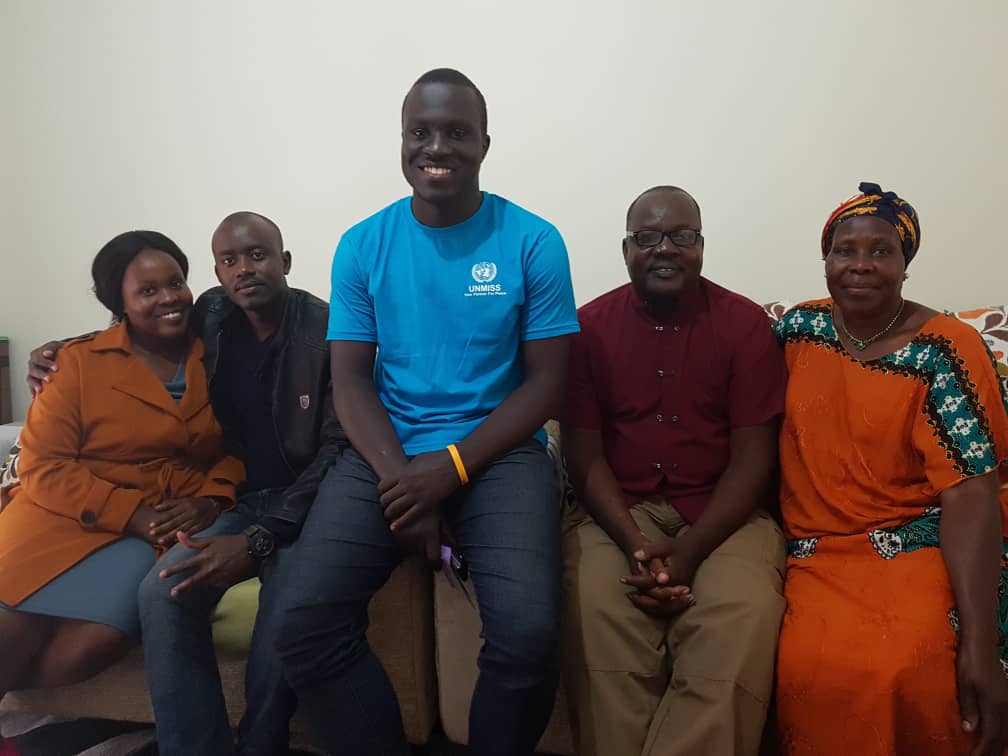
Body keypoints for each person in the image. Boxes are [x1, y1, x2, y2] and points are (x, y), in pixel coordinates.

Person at [265, 68, 579, 756]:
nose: (436, 147)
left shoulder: (533, 240)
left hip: (500, 452)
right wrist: (403, 483)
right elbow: (350, 383)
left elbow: (548, 385)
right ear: (402, 141)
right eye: (421, 132)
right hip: (386, 451)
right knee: (301, 623)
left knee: (528, 633)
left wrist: (452, 467)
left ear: (485, 144)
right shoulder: (363, 244)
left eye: (456, 132)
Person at [26, 212, 346, 756]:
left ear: (286, 261)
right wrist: (57, 348)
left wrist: (260, 538)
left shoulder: (327, 332)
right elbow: (132, 327)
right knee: (164, 589)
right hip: (237, 498)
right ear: (217, 274)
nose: (244, 270)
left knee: (286, 607)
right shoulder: (213, 316)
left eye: (258, 255)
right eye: (229, 260)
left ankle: (261, 744)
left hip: (304, 504)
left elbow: (338, 448)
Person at [774, 182, 1008, 755]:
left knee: (912, 664)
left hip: (921, 541)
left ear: (906, 263)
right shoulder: (797, 331)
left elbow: (971, 494)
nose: (860, 264)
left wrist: (980, 643)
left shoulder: (946, 349)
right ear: (826, 260)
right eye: (844, 250)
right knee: (808, 667)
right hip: (816, 550)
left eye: (881, 251)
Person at [558, 185, 787, 756]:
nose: (665, 249)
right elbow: (583, 455)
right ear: (626, 250)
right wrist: (635, 544)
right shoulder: (587, 328)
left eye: (682, 236)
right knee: (595, 611)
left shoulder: (744, 324)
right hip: (619, 511)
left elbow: (753, 458)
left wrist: (690, 551)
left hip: (725, 514)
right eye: (647, 237)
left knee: (742, 613)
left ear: (701, 246)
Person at [0, 230, 242, 708]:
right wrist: (130, 514)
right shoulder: (75, 363)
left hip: (154, 530)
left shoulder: (221, 354)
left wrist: (213, 498)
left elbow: (243, 446)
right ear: (121, 302)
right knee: (13, 633)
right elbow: (44, 466)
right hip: (59, 516)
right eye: (148, 290)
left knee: (94, 645)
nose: (168, 298)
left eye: (175, 283)